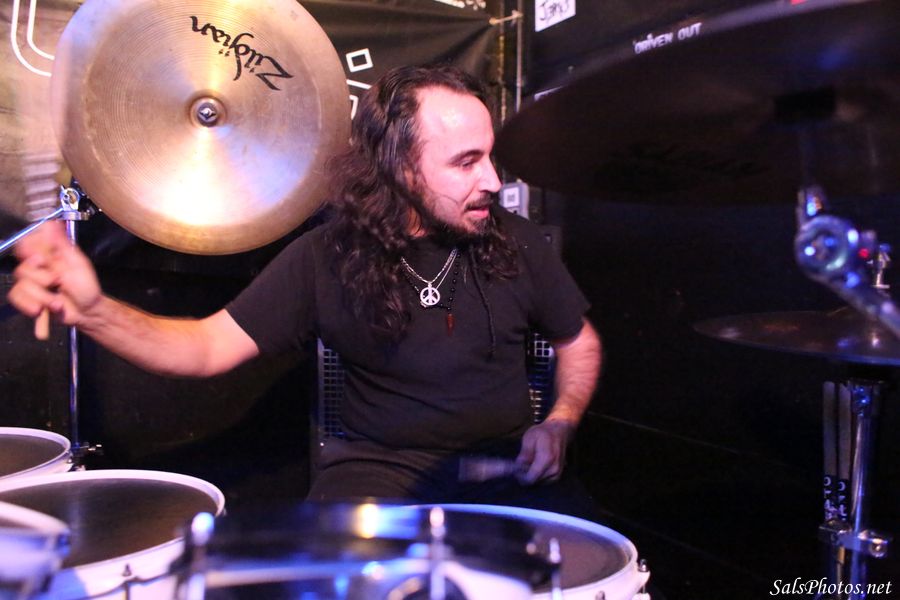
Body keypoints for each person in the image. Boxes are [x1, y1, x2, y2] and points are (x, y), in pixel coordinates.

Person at [8, 65, 602, 518]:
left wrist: (560, 422)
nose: (493, 180)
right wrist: (94, 311)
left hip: (505, 470)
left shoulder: (516, 242)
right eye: (467, 162)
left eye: (490, 157)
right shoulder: (327, 257)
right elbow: (204, 348)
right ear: (400, 167)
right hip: (379, 476)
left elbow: (580, 343)